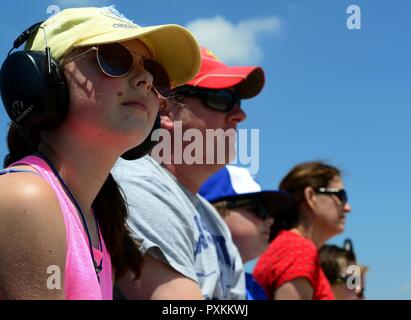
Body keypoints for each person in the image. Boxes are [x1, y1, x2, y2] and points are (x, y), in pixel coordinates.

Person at [0, 6, 200, 299]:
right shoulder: (26, 197)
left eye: (155, 73)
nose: (145, 79)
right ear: (42, 80)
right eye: (114, 58)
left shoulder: (96, 224)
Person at [112, 47, 265, 299]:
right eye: (222, 98)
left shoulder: (211, 218)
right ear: (165, 109)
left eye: (238, 102)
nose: (240, 115)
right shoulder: (136, 183)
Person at [253, 161, 352, 300]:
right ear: (310, 197)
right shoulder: (298, 249)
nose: (348, 207)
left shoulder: (291, 247)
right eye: (341, 196)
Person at [199, 165, 290, 300]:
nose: (270, 220)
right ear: (213, 213)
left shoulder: (253, 289)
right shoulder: (188, 278)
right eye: (258, 208)